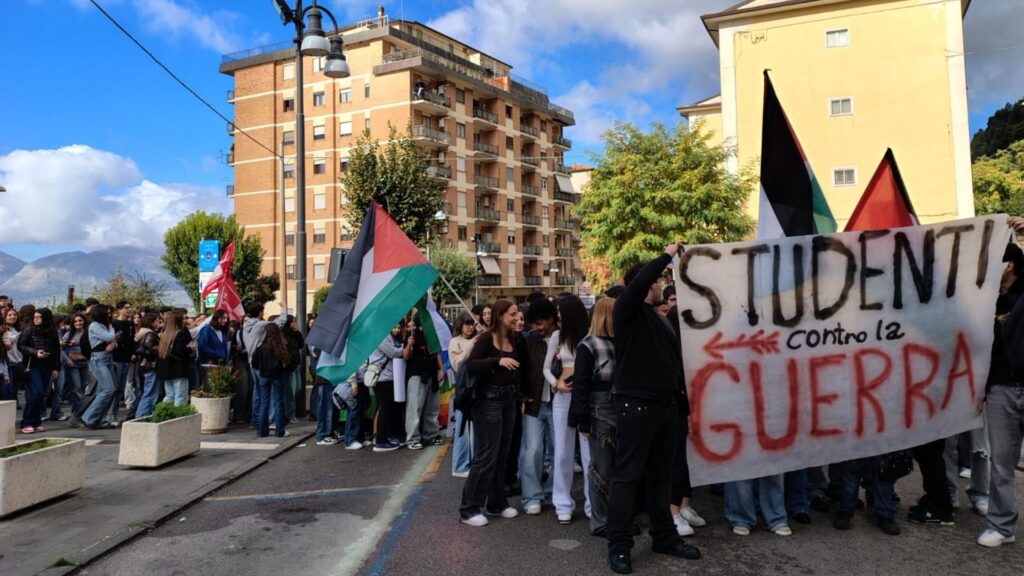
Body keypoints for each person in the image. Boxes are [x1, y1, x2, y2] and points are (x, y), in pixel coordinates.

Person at [606, 245, 699, 574]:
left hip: (665, 407)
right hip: (636, 405)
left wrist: (682, 408)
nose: (660, 284)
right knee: (627, 477)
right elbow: (641, 280)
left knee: (661, 477)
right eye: (656, 280)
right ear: (643, 285)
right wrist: (666, 255)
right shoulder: (626, 310)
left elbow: (675, 367)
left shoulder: (660, 320)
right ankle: (619, 545)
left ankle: (664, 536)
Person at [459, 300, 529, 527]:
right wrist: (497, 360)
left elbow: (519, 370)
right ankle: (469, 507)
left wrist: (520, 397)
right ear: (500, 316)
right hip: (488, 401)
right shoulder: (487, 338)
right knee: (487, 455)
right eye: (512, 314)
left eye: (517, 314)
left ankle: (497, 502)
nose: (517, 318)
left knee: (502, 453)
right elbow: (471, 365)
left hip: (509, 400)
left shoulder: (514, 338)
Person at [977, 241, 1024, 547]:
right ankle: (1002, 525)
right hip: (1000, 391)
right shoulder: (987, 301)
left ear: (1008, 266)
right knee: (1002, 463)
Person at [569, 296, 617, 536]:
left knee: (614, 469)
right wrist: (583, 420)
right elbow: (581, 385)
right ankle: (601, 522)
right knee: (601, 468)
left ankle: (614, 519)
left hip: (617, 407)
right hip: (599, 410)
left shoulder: (618, 341)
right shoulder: (588, 345)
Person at [546, 294, 591, 526]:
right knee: (562, 451)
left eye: (561, 312)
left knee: (589, 453)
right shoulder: (557, 336)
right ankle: (562, 503)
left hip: (586, 397)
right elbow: (546, 368)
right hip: (563, 397)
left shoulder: (590, 334)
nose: (558, 316)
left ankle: (592, 503)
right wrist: (556, 384)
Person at [520, 298, 558, 514]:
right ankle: (532, 496)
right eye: (534, 323)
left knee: (557, 451)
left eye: (540, 323)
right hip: (534, 404)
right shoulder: (528, 341)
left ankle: (554, 492)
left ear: (551, 319)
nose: (536, 327)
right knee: (532, 451)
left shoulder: (564, 339)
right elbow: (522, 371)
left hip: (557, 404)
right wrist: (522, 397)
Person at [17, 308, 61, 433]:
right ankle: (26, 422)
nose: (36, 319)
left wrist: (56, 367)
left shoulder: (52, 331)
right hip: (32, 365)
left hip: (47, 366)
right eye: (34, 316)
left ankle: (36, 422)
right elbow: (20, 345)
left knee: (41, 395)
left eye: (39, 317)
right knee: (36, 392)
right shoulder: (29, 329)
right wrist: (35, 352)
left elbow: (57, 350)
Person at [251, 323, 295, 438]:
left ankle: (262, 431)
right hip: (278, 376)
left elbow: (254, 362)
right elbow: (288, 361)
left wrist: (261, 368)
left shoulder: (261, 346)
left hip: (264, 376)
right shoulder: (280, 346)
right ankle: (279, 431)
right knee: (278, 403)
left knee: (263, 403)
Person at [79, 304, 119, 429]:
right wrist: (112, 329)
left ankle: (100, 420)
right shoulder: (95, 325)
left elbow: (113, 342)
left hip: (107, 358)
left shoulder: (103, 326)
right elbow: (111, 337)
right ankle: (89, 417)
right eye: (108, 312)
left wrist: (114, 343)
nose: (110, 314)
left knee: (107, 390)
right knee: (109, 389)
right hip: (99, 359)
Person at [449, 312, 479, 477]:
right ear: (460, 325)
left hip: (477, 388)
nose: (469, 327)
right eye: (466, 323)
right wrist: (469, 347)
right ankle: (459, 466)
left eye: (471, 323)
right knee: (462, 429)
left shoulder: (477, 339)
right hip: (463, 390)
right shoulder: (455, 341)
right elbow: (456, 365)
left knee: (474, 430)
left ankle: (473, 462)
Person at [371, 324, 406, 452]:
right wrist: (407, 347)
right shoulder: (381, 335)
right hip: (383, 378)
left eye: (398, 327)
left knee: (389, 408)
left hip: (389, 377)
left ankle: (389, 436)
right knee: (385, 408)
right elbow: (393, 352)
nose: (397, 329)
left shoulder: (385, 334)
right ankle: (381, 441)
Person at [156, 309, 193, 406]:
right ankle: (178, 417)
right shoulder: (182, 332)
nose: (186, 320)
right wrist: (190, 349)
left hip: (166, 368)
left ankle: (165, 414)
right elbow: (180, 350)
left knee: (170, 395)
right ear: (178, 320)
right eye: (184, 318)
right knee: (180, 396)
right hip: (179, 368)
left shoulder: (165, 332)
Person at [58, 313, 89, 419]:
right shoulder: (68, 334)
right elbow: (61, 349)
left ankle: (78, 413)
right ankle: (78, 413)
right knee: (76, 389)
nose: (78, 323)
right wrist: (67, 359)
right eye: (75, 321)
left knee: (84, 388)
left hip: (85, 363)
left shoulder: (88, 333)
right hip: (73, 364)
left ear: (84, 321)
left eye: (80, 320)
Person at [133, 312, 163, 418]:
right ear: (151, 322)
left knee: (148, 393)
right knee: (149, 394)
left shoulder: (142, 332)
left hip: (144, 366)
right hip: (150, 366)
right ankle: (141, 417)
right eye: (156, 321)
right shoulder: (149, 334)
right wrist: (162, 348)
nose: (158, 323)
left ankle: (143, 416)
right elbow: (149, 346)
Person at [110, 301, 135, 421]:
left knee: (121, 387)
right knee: (115, 387)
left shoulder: (130, 324)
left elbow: (132, 340)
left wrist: (133, 353)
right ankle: (111, 414)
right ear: (119, 309)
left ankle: (114, 413)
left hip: (127, 358)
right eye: (126, 308)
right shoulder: (114, 324)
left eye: (129, 308)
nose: (128, 310)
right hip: (117, 358)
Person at [2, 308, 22, 402]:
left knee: (14, 388)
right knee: (7, 389)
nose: (12, 317)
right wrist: (17, 336)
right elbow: (6, 344)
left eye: (14, 315)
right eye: (9, 315)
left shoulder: (15, 329)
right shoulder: (3, 329)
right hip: (7, 363)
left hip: (17, 362)